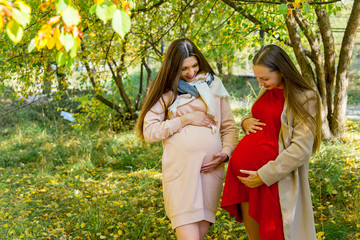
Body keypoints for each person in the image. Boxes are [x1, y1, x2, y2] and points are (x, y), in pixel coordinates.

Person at [136, 38, 237, 240]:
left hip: (210, 171)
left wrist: (225, 154)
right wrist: (185, 119)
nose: (191, 73)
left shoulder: (214, 84)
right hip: (181, 172)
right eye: (184, 69)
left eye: (195, 66)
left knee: (199, 235)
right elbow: (150, 132)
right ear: (173, 68)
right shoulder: (165, 90)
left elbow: (228, 127)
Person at [221, 45, 321, 240]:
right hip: (247, 180)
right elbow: (264, 119)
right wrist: (245, 121)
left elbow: (301, 149)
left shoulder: (305, 97)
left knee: (275, 235)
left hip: (273, 180)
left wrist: (265, 175)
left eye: (264, 78)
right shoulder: (268, 89)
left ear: (282, 71)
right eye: (257, 78)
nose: (260, 83)